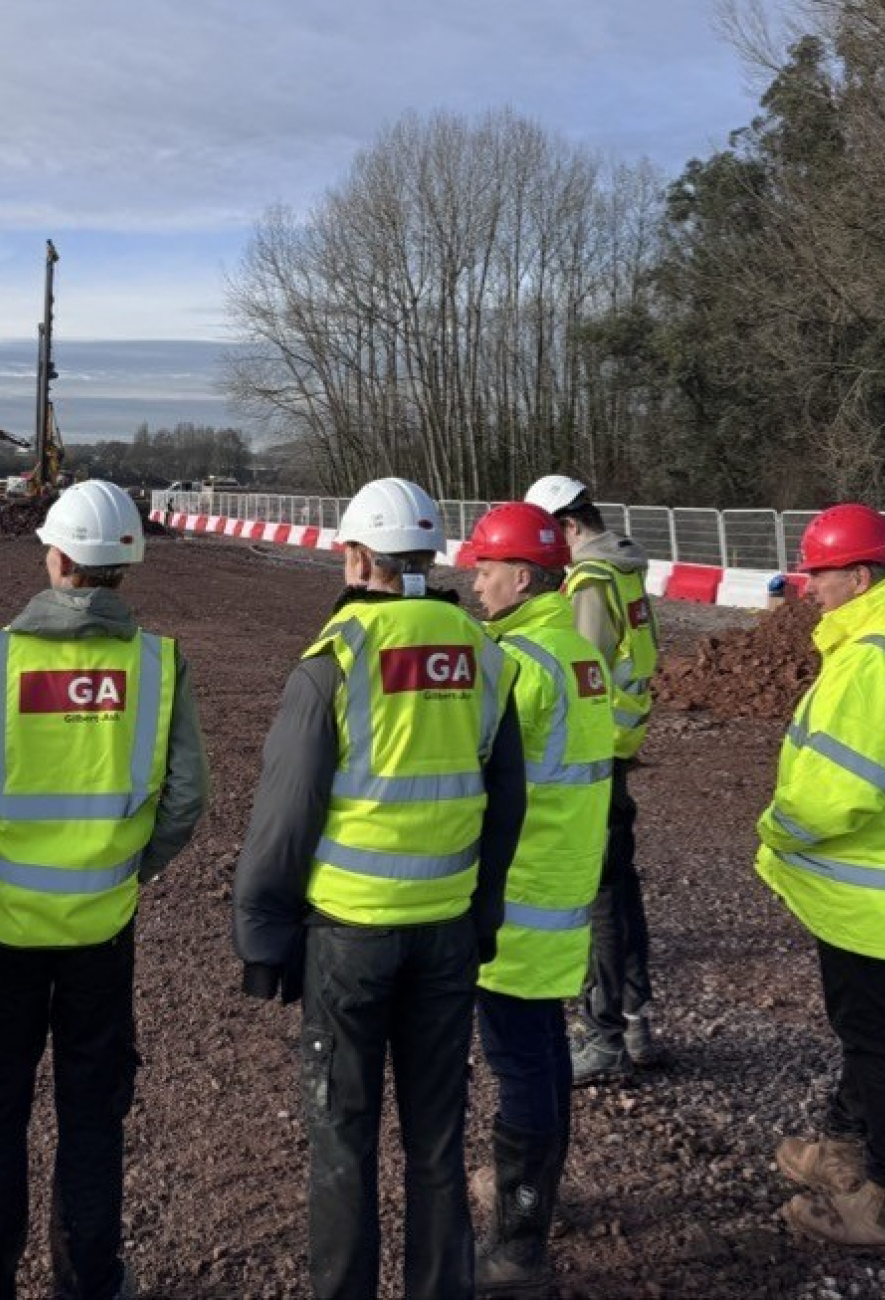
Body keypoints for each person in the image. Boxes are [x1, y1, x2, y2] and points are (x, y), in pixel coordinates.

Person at [233, 476, 528, 1300]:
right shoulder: (485, 654)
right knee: (437, 1140)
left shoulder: (336, 660)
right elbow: (507, 802)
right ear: (429, 557)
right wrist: (485, 913)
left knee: (342, 1138)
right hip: (446, 931)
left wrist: (262, 932)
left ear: (358, 556)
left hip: (350, 937)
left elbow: (285, 816)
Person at [0, 480, 209, 1300]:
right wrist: (132, 869)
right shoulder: (157, 664)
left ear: (56, 557)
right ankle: (90, 1281)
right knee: (91, 1115)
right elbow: (186, 797)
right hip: (102, 932)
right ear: (126, 568)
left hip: (6, 929)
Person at [460, 502, 615, 1294]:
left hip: (519, 892)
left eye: (486, 569)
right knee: (545, 1051)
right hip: (561, 882)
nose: (476, 584)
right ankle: (540, 1197)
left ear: (523, 576)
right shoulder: (572, 650)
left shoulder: (519, 662)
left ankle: (520, 1243)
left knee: (520, 1060)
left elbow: (478, 772)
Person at [756, 503, 885, 1255]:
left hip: (874, 896)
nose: (808, 587)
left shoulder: (875, 660)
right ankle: (844, 1146)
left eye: (818, 574)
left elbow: (838, 792)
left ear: (859, 576)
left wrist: (774, 828)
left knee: (875, 1037)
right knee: (869, 1030)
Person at [524, 474, 661, 1083]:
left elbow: (577, 671)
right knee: (621, 892)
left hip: (592, 750)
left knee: (599, 895)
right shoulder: (625, 568)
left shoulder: (589, 579)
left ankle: (603, 1032)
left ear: (570, 527)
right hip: (621, 743)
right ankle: (634, 1018)